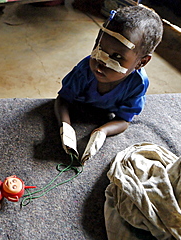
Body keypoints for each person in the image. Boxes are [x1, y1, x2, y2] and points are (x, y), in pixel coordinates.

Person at [55, 5, 163, 164]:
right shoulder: (85, 69)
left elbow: (124, 120)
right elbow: (62, 100)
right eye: (100, 48)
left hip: (105, 116)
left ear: (141, 62)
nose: (100, 62)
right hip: (78, 107)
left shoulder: (137, 83)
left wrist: (101, 131)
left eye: (117, 57)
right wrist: (66, 127)